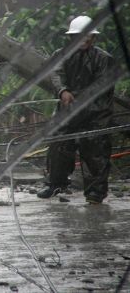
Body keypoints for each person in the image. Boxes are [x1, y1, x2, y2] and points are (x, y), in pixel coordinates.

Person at [38, 15, 115, 204]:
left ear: (93, 38)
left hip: (96, 113)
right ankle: (55, 183)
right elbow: (56, 74)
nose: (85, 39)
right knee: (59, 144)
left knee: (95, 152)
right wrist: (63, 90)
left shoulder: (104, 58)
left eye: (88, 36)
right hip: (69, 111)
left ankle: (95, 194)